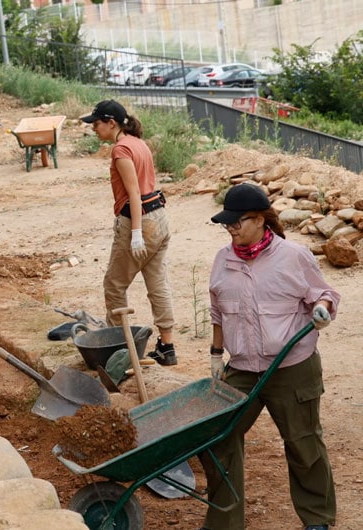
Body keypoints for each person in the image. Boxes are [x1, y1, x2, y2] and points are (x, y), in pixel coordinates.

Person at [200, 183, 338, 530]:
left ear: (260, 220)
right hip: (244, 368)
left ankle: (317, 518)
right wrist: (217, 355)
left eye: (237, 222)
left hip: (292, 367)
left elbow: (324, 292)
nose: (230, 228)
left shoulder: (293, 256)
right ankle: (224, 522)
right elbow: (218, 312)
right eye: (226, 223)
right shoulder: (223, 259)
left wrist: (322, 308)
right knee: (218, 438)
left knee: (303, 443)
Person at [80, 100, 177, 365]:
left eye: (97, 123)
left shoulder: (121, 150)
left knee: (114, 285)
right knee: (157, 284)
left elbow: (134, 193)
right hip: (159, 217)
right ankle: (167, 346)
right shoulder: (138, 142)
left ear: (111, 123)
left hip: (139, 220)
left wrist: (135, 233)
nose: (94, 129)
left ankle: (117, 350)